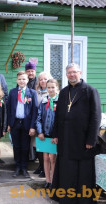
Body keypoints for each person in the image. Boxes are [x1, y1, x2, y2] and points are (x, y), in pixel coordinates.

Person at [51, 63, 101, 203]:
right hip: (66, 138)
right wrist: (55, 134)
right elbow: (58, 115)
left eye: (74, 72)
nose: (72, 75)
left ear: (80, 73)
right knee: (67, 169)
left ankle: (83, 199)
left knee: (83, 171)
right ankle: (66, 197)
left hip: (82, 139)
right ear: (66, 75)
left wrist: (91, 140)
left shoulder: (90, 91)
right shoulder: (63, 91)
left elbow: (96, 117)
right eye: (69, 73)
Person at [7, 71, 38, 178]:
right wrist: (9, 124)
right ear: (17, 80)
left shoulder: (32, 93)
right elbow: (9, 109)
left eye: (24, 79)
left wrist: (32, 126)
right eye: (20, 79)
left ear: (27, 80)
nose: (22, 81)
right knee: (16, 146)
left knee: (25, 147)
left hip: (26, 124)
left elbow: (34, 111)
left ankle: (24, 168)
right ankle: (17, 167)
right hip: (15, 123)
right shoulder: (13, 92)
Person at [36, 79, 59, 188]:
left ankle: (53, 180)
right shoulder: (44, 100)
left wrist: (57, 135)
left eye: (53, 87)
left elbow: (60, 120)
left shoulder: (60, 101)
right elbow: (39, 118)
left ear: (57, 88)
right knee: (45, 158)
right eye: (49, 87)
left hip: (54, 135)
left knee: (53, 159)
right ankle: (47, 180)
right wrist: (40, 132)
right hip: (44, 135)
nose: (50, 89)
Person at [32, 72, 53, 178]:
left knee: (48, 148)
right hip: (37, 122)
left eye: (45, 79)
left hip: (48, 125)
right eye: (41, 79)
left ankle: (47, 169)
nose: (43, 81)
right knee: (39, 146)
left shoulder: (51, 93)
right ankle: (41, 166)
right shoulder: (36, 93)